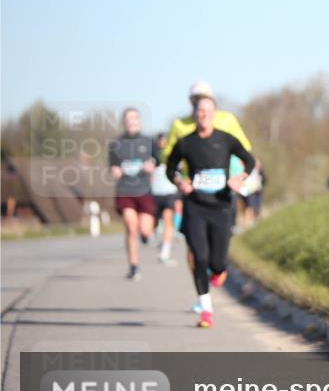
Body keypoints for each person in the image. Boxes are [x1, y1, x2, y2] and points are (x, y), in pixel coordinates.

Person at [166, 97, 255, 329]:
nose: (203, 114)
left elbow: (249, 160)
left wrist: (239, 178)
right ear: (194, 114)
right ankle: (206, 311)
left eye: (208, 110)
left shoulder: (225, 140)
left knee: (218, 263)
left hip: (221, 206)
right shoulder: (185, 143)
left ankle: (218, 272)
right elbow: (170, 167)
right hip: (195, 206)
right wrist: (179, 181)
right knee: (200, 256)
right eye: (200, 110)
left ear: (213, 114)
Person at [108, 107, 158, 281]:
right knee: (131, 226)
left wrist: (152, 165)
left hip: (144, 190)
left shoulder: (149, 141)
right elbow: (112, 165)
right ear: (124, 122)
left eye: (134, 119)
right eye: (128, 119)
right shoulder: (116, 144)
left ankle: (146, 236)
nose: (131, 122)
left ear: (139, 121)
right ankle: (134, 266)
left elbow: (158, 159)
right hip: (125, 190)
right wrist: (115, 170)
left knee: (144, 229)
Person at [150, 132, 181, 265]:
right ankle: (156, 230)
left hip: (170, 192)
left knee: (169, 220)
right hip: (155, 193)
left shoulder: (175, 155)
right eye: (161, 140)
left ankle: (164, 253)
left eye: (165, 141)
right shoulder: (153, 156)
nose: (163, 143)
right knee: (153, 224)